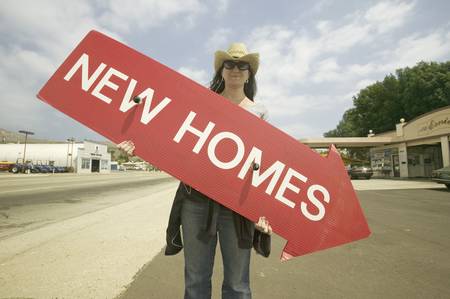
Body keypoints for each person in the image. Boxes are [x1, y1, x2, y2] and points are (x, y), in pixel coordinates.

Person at [118, 42, 272, 299]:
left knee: (238, 284)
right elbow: (171, 136)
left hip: (238, 207)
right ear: (221, 71)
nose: (235, 69)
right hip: (197, 201)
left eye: (242, 65)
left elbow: (263, 165)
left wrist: (262, 211)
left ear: (249, 73)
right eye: (230, 64)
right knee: (196, 281)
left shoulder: (260, 112)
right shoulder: (202, 103)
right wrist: (138, 144)